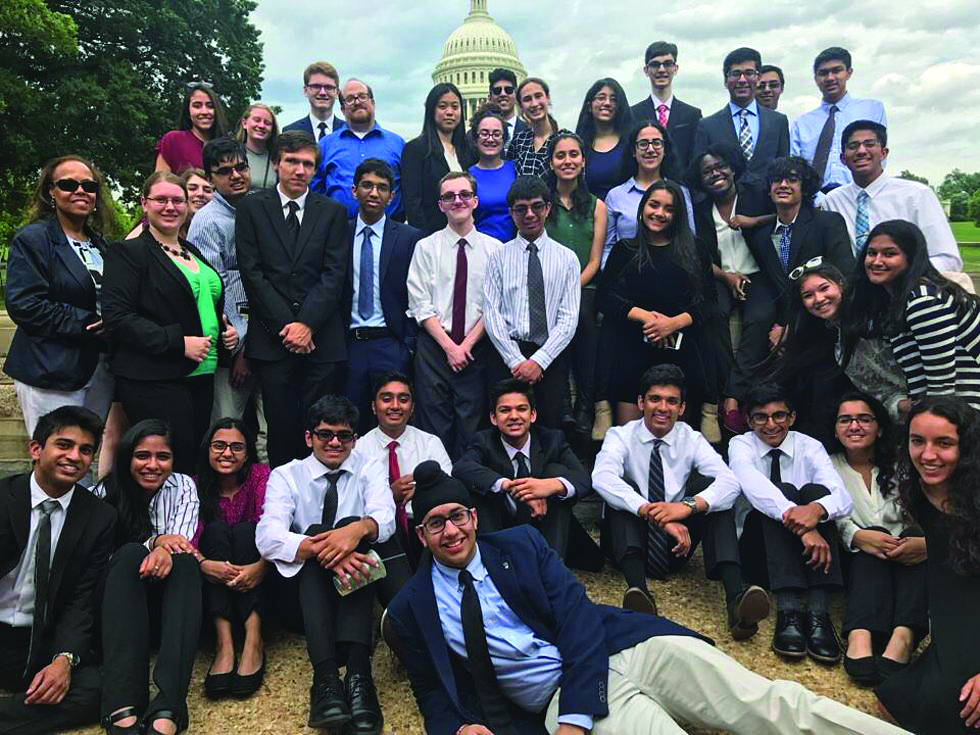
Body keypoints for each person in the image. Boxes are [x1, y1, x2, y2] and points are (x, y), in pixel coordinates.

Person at [387, 460, 914, 735]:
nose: (451, 531)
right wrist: (457, 726)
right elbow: (431, 687)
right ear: (421, 534)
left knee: (767, 702)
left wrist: (575, 713)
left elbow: (577, 620)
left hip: (622, 648)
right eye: (436, 524)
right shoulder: (413, 606)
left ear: (474, 517)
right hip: (554, 698)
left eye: (458, 516)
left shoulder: (520, 545)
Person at [255, 395, 399, 734]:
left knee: (358, 526)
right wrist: (327, 546)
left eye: (343, 435)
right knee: (321, 531)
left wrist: (355, 532)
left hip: (357, 589)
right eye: (325, 434)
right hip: (304, 597)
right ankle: (326, 678)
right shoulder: (286, 475)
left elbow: (385, 518)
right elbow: (267, 536)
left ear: (354, 439)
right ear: (309, 438)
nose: (334, 442)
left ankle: (359, 677)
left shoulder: (368, 467)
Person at [593, 365, 770, 637]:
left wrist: (685, 508)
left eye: (671, 401)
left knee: (714, 496)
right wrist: (653, 513)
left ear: (682, 407)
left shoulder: (692, 439)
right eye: (655, 399)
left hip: (675, 547)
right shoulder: (620, 436)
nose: (663, 408)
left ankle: (736, 601)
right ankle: (639, 595)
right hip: (626, 546)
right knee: (623, 492)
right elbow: (602, 477)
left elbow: (730, 481)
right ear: (641, 403)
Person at [103, 172, 238, 475]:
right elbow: (118, 318)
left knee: (192, 460)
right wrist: (178, 343)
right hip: (155, 375)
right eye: (161, 199)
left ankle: (187, 520)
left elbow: (203, 303)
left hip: (201, 374)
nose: (170, 206)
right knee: (167, 461)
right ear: (144, 204)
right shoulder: (128, 253)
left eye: (178, 200)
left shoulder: (192, 252)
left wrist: (224, 331)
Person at [236, 130, 349, 467]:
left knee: (322, 428)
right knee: (281, 430)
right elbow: (252, 273)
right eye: (292, 162)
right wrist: (288, 326)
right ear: (276, 163)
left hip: (321, 340)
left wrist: (307, 324)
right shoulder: (252, 208)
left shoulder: (331, 212)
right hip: (274, 341)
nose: (300, 170)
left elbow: (334, 274)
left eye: (308, 164)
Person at [0, 406, 115, 735]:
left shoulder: (98, 517)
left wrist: (63, 659)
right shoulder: (4, 496)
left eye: (85, 450)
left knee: (97, 689)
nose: (75, 456)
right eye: (64, 445)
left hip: (37, 639)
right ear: (36, 449)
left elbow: (81, 598)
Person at [875, 396, 980, 734]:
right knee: (891, 703)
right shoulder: (921, 486)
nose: (928, 455)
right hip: (953, 607)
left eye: (944, 443)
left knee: (962, 707)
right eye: (917, 441)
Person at [728, 383, 853, 664]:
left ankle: (818, 613)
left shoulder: (810, 446)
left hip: (807, 558)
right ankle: (789, 612)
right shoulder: (740, 444)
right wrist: (804, 524)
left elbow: (842, 498)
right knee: (780, 493)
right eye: (761, 417)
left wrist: (818, 510)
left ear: (792, 417)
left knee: (818, 495)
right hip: (758, 554)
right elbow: (756, 488)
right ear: (749, 421)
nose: (771, 424)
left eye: (779, 416)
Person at [92, 420, 201, 735]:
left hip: (163, 609)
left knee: (185, 563)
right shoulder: (105, 491)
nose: (152, 465)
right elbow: (99, 562)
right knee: (127, 554)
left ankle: (170, 701)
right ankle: (121, 701)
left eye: (162, 457)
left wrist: (164, 548)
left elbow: (179, 541)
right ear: (127, 457)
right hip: (118, 612)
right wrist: (151, 545)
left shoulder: (183, 486)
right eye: (142, 456)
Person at [3, 156, 114, 435]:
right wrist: (89, 324)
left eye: (89, 185)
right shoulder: (33, 240)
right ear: (50, 192)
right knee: (58, 454)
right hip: (51, 368)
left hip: (99, 368)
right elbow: (25, 304)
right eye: (68, 184)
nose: (80, 191)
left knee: (86, 452)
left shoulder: (101, 245)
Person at [829, 393, 927, 686]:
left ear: (880, 427)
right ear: (835, 429)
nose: (854, 426)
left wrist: (922, 544)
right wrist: (857, 536)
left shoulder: (902, 463)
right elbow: (826, 516)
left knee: (915, 537)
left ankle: (904, 636)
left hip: (905, 556)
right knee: (874, 540)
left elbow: (925, 512)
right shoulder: (827, 464)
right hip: (855, 561)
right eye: (845, 420)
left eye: (864, 419)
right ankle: (861, 634)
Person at [598, 180, 713, 426]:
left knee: (679, 442)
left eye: (669, 209)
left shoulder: (695, 250)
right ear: (642, 207)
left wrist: (673, 323)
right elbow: (604, 297)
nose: (660, 213)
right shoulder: (624, 249)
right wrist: (646, 317)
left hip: (680, 348)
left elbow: (709, 301)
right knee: (628, 439)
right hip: (634, 348)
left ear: (678, 215)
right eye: (654, 205)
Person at [407, 172, 502, 458]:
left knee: (473, 428)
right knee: (434, 429)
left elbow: (494, 306)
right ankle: (439, 495)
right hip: (435, 348)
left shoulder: (495, 250)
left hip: (476, 349)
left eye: (463, 195)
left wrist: (465, 347)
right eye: (449, 196)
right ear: (440, 205)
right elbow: (420, 303)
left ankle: (470, 496)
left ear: (475, 201)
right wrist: (450, 347)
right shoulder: (425, 247)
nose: (457, 200)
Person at [842, 219, 980, 410]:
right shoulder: (897, 303)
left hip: (966, 412)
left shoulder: (924, 301)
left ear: (911, 259)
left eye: (889, 254)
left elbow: (941, 388)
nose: (876, 261)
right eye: (871, 253)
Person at [453, 379, 590, 559]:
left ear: (532, 415)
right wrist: (512, 487)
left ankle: (552, 566)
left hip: (547, 527)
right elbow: (461, 468)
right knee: (480, 485)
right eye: (505, 410)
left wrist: (550, 486)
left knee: (555, 472)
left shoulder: (552, 439)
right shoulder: (484, 441)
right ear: (493, 418)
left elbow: (584, 479)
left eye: (521, 409)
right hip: (503, 529)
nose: (514, 416)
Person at [687, 144, 773, 432]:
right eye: (707, 172)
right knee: (714, 315)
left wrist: (754, 221)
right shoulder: (700, 211)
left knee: (759, 319)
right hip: (720, 276)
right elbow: (699, 255)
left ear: (733, 168)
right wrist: (726, 277)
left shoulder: (756, 196)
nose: (715, 174)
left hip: (759, 275)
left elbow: (784, 215)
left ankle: (732, 397)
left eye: (720, 167)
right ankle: (730, 392)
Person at [484, 176, 580, 430]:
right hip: (507, 358)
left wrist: (540, 361)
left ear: (548, 208)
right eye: (521, 208)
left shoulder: (567, 259)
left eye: (537, 206)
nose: (529, 214)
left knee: (549, 427)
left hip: (550, 357)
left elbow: (569, 318)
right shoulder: (497, 257)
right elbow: (492, 315)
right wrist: (516, 361)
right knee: (507, 427)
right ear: (511, 213)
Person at [191, 419, 269, 699]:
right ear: (207, 450)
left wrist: (261, 567)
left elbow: (270, 526)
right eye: (219, 446)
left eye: (237, 447)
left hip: (259, 572)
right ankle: (223, 642)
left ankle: (253, 637)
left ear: (248, 453)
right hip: (213, 576)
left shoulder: (261, 476)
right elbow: (192, 536)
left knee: (249, 531)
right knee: (214, 532)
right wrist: (203, 564)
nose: (227, 453)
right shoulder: (193, 486)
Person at [342, 159, 422, 431]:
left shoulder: (409, 238)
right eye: (367, 186)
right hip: (350, 343)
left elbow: (418, 292)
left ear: (392, 196)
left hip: (392, 342)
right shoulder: (338, 232)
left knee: (394, 422)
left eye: (382, 188)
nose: (374, 193)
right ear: (354, 190)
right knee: (352, 421)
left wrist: (408, 344)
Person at [822, 120, 962, 271]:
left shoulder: (917, 195)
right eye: (853, 146)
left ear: (883, 153)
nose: (861, 151)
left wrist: (903, 279)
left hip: (907, 289)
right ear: (843, 158)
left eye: (869, 144)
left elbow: (948, 259)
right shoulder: (833, 201)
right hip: (854, 291)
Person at [187, 136, 259, 428]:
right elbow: (215, 293)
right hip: (230, 348)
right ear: (210, 178)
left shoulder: (259, 208)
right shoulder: (208, 222)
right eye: (225, 171)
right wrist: (240, 350)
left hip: (263, 340)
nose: (236, 176)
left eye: (241, 167)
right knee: (227, 426)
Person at [353, 372, 452, 565]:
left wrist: (424, 490)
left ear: (412, 407)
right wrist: (389, 495)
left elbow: (449, 489)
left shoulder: (430, 443)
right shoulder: (358, 449)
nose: (395, 406)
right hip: (378, 537)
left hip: (425, 529)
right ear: (374, 407)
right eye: (386, 399)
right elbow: (351, 501)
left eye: (403, 399)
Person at [546, 131, 606, 434]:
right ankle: (563, 407)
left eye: (573, 154)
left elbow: (595, 260)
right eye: (560, 155)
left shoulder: (597, 206)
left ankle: (585, 404)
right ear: (552, 163)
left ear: (583, 161)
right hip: (546, 289)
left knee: (581, 314)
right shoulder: (542, 205)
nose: (567, 161)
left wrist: (569, 290)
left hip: (586, 287)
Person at [760, 260, 856, 445]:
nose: (819, 299)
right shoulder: (815, 332)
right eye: (808, 295)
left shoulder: (863, 323)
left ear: (841, 285)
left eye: (824, 288)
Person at [694, 47, 790, 192]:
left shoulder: (778, 122)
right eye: (735, 74)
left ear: (758, 78)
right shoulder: (707, 126)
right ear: (726, 80)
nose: (742, 80)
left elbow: (784, 170)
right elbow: (700, 175)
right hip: (724, 207)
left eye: (749, 73)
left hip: (768, 208)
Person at [791, 48, 887, 191]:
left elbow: (878, 155)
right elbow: (795, 168)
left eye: (836, 71)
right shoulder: (802, 124)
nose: (830, 78)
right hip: (816, 201)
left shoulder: (871, 109)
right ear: (816, 78)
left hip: (859, 192)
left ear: (849, 72)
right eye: (823, 73)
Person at [603, 119, 692, 267]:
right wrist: (616, 277)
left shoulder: (680, 192)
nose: (650, 149)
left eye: (656, 143)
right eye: (643, 144)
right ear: (633, 151)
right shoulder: (616, 195)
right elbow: (607, 247)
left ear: (665, 150)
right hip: (626, 281)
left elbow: (689, 240)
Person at [312, 79, 405, 219]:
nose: (357, 101)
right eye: (349, 99)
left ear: (373, 103)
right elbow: (315, 192)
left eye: (362, 96)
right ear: (342, 109)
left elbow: (408, 190)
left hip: (389, 234)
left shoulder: (397, 144)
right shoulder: (325, 145)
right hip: (337, 232)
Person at [401, 83, 476, 236]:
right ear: (431, 110)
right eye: (442, 106)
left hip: (467, 236)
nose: (449, 112)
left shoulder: (469, 150)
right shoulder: (416, 149)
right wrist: (426, 240)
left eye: (455, 107)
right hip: (432, 239)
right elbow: (413, 204)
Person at [629, 41, 702, 169]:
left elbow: (696, 159)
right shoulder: (632, 114)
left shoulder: (692, 115)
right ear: (646, 70)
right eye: (655, 65)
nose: (662, 70)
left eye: (667, 64)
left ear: (675, 68)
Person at [575, 78, 632, 200]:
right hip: (589, 214)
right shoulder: (578, 145)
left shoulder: (631, 143)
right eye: (601, 98)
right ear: (589, 105)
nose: (607, 103)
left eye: (613, 99)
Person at [155, 82, 228, 174]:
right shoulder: (173, 140)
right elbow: (160, 182)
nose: (204, 112)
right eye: (197, 106)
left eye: (210, 106)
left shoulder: (227, 147)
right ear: (188, 112)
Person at [468, 105, 518, 242]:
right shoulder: (468, 176)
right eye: (484, 133)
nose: (490, 139)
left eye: (496, 134)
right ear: (475, 139)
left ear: (504, 140)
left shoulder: (515, 170)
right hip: (480, 251)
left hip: (514, 250)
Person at [506, 77, 559, 178]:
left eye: (538, 96)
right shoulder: (518, 141)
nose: (534, 104)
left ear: (547, 98)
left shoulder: (565, 138)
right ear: (521, 106)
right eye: (527, 99)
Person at [282, 62, 346, 140]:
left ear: (337, 93)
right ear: (305, 91)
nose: (322, 92)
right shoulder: (290, 132)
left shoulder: (349, 131)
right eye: (316, 86)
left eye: (328, 87)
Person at [236, 102, 279, 190]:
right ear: (244, 123)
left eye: (267, 123)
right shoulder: (232, 155)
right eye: (257, 120)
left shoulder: (277, 158)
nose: (261, 126)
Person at [488, 68, 528, 141]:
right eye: (497, 91)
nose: (503, 94)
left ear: (516, 95)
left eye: (508, 90)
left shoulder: (531, 132)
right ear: (490, 97)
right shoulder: (474, 135)